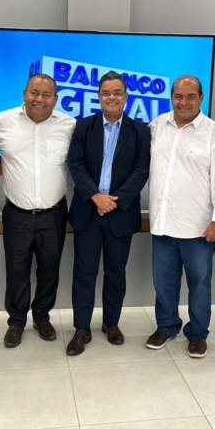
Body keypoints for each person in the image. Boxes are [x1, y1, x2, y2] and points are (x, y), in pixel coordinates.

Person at [145, 76, 215, 359]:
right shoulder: (157, 126)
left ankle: (197, 334)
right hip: (163, 224)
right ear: (171, 97)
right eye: (178, 96)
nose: (183, 102)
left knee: (199, 284)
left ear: (201, 98)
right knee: (163, 283)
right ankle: (167, 326)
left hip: (199, 228)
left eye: (190, 97)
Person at [65, 72, 150, 355]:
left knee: (116, 273)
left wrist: (116, 200)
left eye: (117, 92)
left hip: (120, 213)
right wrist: (95, 196)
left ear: (126, 97)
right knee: (84, 273)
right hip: (88, 212)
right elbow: (75, 164)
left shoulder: (140, 131)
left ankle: (111, 324)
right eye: (106, 92)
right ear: (98, 96)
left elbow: (141, 170)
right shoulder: (83, 126)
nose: (111, 97)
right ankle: (81, 328)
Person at [0, 74, 76, 347]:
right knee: (16, 271)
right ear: (24, 93)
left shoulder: (69, 125)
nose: (39, 99)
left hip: (54, 213)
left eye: (46, 94)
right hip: (17, 214)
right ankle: (16, 321)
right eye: (34, 93)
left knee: (49, 269)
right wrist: (10, 172)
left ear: (56, 98)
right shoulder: (2, 121)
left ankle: (42, 317)